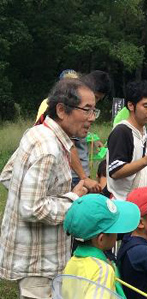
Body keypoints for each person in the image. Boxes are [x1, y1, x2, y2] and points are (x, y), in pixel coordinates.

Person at [0, 78, 94, 298]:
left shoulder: (38, 133)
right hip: (39, 261)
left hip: (38, 253)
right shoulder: (48, 149)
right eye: (87, 110)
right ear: (61, 110)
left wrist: (22, 194)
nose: (91, 118)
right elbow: (32, 208)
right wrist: (72, 198)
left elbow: (7, 175)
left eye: (94, 110)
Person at [63, 193, 140, 298]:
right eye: (114, 230)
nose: (117, 234)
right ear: (101, 239)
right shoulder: (102, 271)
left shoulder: (72, 262)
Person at [106, 80, 147, 200]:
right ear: (131, 105)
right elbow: (116, 171)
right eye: (146, 106)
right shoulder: (121, 132)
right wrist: (146, 160)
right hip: (124, 205)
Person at [70, 70, 112, 193]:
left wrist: (93, 138)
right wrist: (84, 177)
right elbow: (69, 146)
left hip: (80, 174)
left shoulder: (83, 110)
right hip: (74, 176)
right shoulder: (74, 110)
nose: (95, 101)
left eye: (99, 99)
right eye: (96, 96)